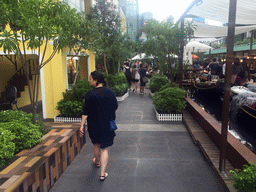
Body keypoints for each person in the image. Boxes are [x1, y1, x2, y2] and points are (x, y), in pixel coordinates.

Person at [80, 71, 118, 181]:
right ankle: (102, 174)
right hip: (106, 124)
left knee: (96, 145)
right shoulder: (109, 91)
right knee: (104, 148)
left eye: (90, 78)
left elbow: (85, 111)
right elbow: (115, 106)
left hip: (93, 124)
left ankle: (97, 162)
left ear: (96, 80)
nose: (89, 80)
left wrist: (82, 125)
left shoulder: (90, 94)